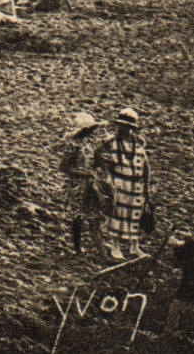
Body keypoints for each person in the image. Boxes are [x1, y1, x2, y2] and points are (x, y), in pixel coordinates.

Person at [97, 107, 150, 260]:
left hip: (136, 183)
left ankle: (134, 246)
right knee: (117, 214)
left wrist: (146, 185)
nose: (124, 129)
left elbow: (145, 165)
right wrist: (107, 170)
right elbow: (98, 154)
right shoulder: (111, 141)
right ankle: (116, 246)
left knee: (135, 214)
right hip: (119, 181)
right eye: (122, 126)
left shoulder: (139, 143)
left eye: (128, 127)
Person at [57, 112, 107, 256]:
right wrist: (83, 173)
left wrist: (99, 168)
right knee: (78, 217)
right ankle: (78, 248)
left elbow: (94, 159)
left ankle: (102, 252)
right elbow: (63, 167)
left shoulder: (89, 143)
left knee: (94, 215)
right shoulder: (73, 144)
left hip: (90, 184)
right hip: (77, 186)